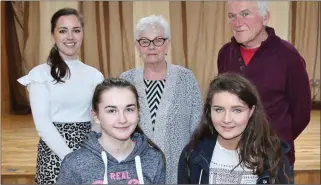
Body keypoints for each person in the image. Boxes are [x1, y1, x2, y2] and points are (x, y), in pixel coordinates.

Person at [217, 1, 311, 182]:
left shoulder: (288, 56)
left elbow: (301, 113)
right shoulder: (225, 54)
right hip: (232, 157)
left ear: (265, 17)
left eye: (245, 14)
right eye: (232, 16)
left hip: (274, 160)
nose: (237, 22)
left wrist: (275, 139)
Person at [17, 8, 104, 184]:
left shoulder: (95, 75)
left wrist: (90, 152)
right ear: (53, 35)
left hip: (88, 152)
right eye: (63, 31)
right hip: (54, 154)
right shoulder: (40, 74)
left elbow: (97, 120)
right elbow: (43, 125)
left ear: (82, 34)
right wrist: (71, 159)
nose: (70, 37)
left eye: (76, 30)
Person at [120, 15, 203, 184]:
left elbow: (198, 126)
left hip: (178, 169)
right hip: (134, 169)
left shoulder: (186, 79)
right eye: (145, 41)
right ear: (137, 46)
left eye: (158, 40)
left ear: (167, 44)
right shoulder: (125, 80)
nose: (151, 46)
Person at [178, 73, 292, 184]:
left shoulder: (274, 155)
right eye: (219, 110)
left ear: (251, 111)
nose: (227, 119)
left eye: (237, 110)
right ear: (209, 111)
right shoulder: (192, 154)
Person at [56, 78, 166, 184]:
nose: (122, 119)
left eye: (129, 109)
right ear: (96, 116)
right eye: (112, 111)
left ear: (138, 113)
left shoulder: (153, 158)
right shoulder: (75, 163)